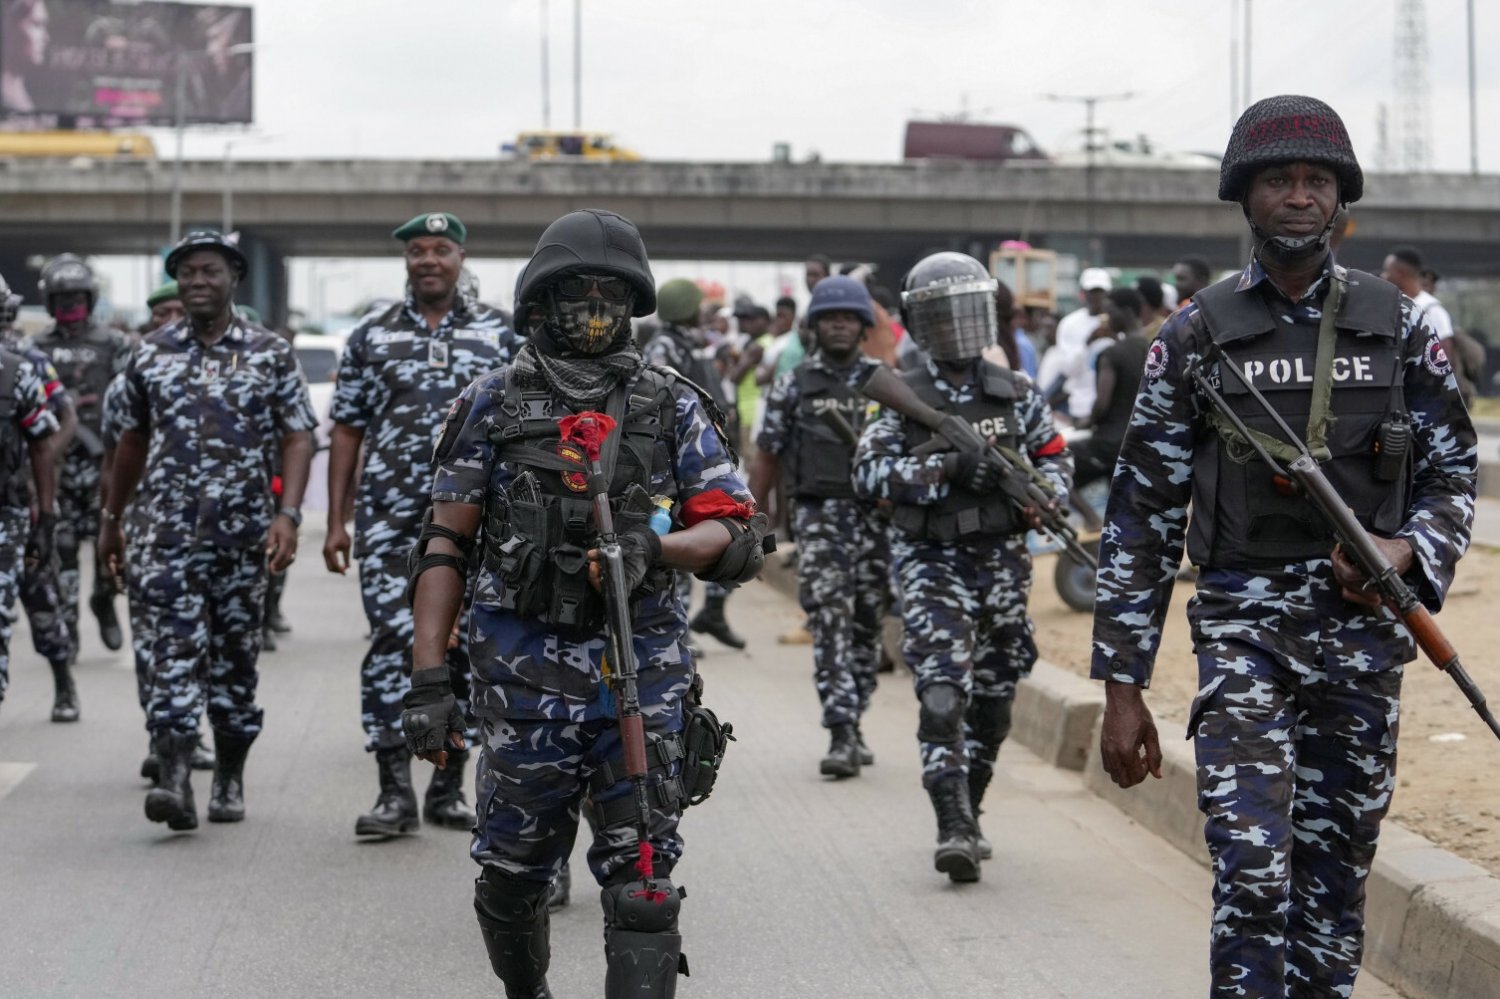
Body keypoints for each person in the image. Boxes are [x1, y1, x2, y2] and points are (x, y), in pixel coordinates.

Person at [1092, 95, 1477, 997]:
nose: (1299, 196)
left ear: (1340, 198)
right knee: (1253, 869)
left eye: (1316, 181)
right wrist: (1122, 686)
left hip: (1364, 643)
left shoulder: (1402, 325)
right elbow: (1141, 519)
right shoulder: (1193, 336)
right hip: (1243, 638)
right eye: (1279, 180)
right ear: (1245, 194)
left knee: (1334, 885)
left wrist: (1406, 551)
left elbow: (1454, 476)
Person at [404, 209, 764, 998]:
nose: (595, 306)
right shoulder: (491, 402)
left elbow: (735, 532)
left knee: (644, 887)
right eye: (577, 289)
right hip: (521, 681)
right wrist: (429, 676)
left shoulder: (672, 404)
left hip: (639, 679)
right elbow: (444, 543)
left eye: (611, 290)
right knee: (512, 876)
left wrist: (655, 548)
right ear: (541, 299)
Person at [853, 251, 1073, 883]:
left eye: (966, 313)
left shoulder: (1017, 391)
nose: (956, 328)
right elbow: (868, 475)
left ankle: (971, 807)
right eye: (942, 318)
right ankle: (951, 824)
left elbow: (1055, 458)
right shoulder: (901, 395)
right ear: (922, 326)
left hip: (1003, 564)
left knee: (996, 700)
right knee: (943, 695)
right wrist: (947, 468)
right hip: (931, 562)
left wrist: (1044, 495)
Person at [100, 230, 316, 831]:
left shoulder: (270, 353)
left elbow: (298, 435)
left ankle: (228, 777)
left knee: (234, 665)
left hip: (243, 540)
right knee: (170, 655)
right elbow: (130, 441)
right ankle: (173, 782)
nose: (198, 281)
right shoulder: (149, 354)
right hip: (165, 537)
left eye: (209, 271)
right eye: (188, 272)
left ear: (233, 279)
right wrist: (112, 521)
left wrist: (288, 515)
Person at [324, 211, 516, 838]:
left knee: (469, 646)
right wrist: (336, 520)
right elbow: (347, 428)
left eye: (440, 249)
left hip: (479, 521)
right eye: (417, 251)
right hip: (389, 518)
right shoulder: (371, 335)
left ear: (460, 257)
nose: (428, 259)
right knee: (393, 641)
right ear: (405, 262)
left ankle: (447, 788)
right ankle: (392, 792)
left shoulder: (502, 334)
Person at [751, 275, 888, 778]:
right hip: (820, 518)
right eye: (830, 318)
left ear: (863, 326)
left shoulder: (886, 382)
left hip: (877, 520)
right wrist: (754, 523)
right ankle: (841, 728)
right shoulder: (795, 384)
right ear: (815, 326)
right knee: (829, 619)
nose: (839, 325)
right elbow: (767, 455)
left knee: (868, 623)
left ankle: (856, 713)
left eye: (849, 318)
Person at [643, 278, 748, 651]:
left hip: (708, 451)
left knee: (735, 535)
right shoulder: (664, 346)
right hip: (679, 456)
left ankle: (712, 613)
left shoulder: (692, 341)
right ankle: (682, 625)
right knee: (677, 536)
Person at [33, 254, 130, 658]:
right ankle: (68, 625)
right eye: (62, 299)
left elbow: (132, 403)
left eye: (77, 298)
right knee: (64, 546)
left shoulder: (114, 344)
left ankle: (103, 600)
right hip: (55, 465)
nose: (70, 306)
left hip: (106, 464)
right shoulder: (36, 348)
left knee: (111, 542)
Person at [0, 274, 76, 721]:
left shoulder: (23, 364)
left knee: (39, 598)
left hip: (13, 507)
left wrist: (43, 512)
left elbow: (53, 431)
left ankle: (63, 679)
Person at [0, 341, 60, 722]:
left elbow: (41, 446)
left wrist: (46, 518)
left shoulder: (16, 372)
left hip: (6, 516)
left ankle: (63, 678)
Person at [1075, 287, 1149, 488]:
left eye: (1110, 312)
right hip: (1142, 440)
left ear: (1126, 312)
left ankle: (1085, 511)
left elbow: (1102, 404)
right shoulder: (1152, 348)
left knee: (1060, 464)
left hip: (1110, 443)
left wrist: (1088, 421)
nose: (1107, 319)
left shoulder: (1112, 353)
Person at [1038, 266, 1111, 422]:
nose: (1096, 297)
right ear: (1083, 293)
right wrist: (1088, 342)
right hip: (1080, 405)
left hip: (1111, 406)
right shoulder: (1069, 324)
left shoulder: (1115, 320)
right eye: (1092, 291)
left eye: (1100, 291)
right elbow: (1067, 369)